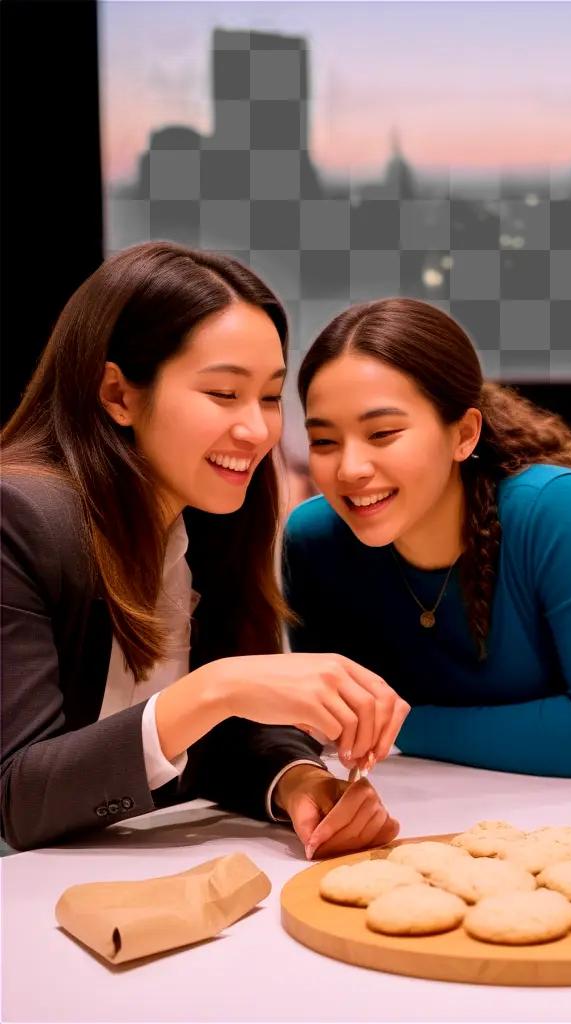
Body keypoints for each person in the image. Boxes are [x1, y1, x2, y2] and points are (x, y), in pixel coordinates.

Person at [1, 242, 407, 857]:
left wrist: (296, 781)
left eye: (270, 397)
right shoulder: (20, 517)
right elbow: (17, 800)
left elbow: (209, 743)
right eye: (223, 394)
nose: (256, 429)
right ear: (118, 394)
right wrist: (220, 686)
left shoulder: (212, 516)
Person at [283, 297, 571, 780]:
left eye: (382, 433)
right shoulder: (314, 540)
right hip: (449, 792)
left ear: (463, 434)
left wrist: (400, 726)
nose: (350, 469)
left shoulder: (554, 508)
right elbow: (335, 728)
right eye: (324, 442)